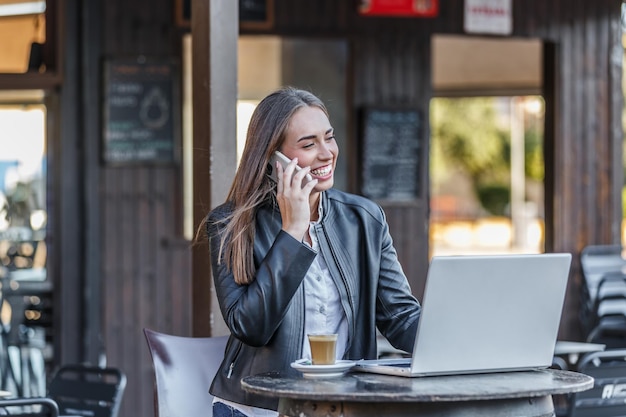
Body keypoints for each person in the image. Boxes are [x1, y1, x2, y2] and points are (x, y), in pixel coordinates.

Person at [205, 87, 421, 417]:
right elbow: (252, 327)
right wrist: (292, 231)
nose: (326, 153)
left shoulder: (364, 219)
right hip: (257, 408)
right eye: (308, 144)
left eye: (329, 138)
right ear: (272, 159)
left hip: (342, 405)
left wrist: (461, 342)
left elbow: (400, 316)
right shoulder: (230, 223)